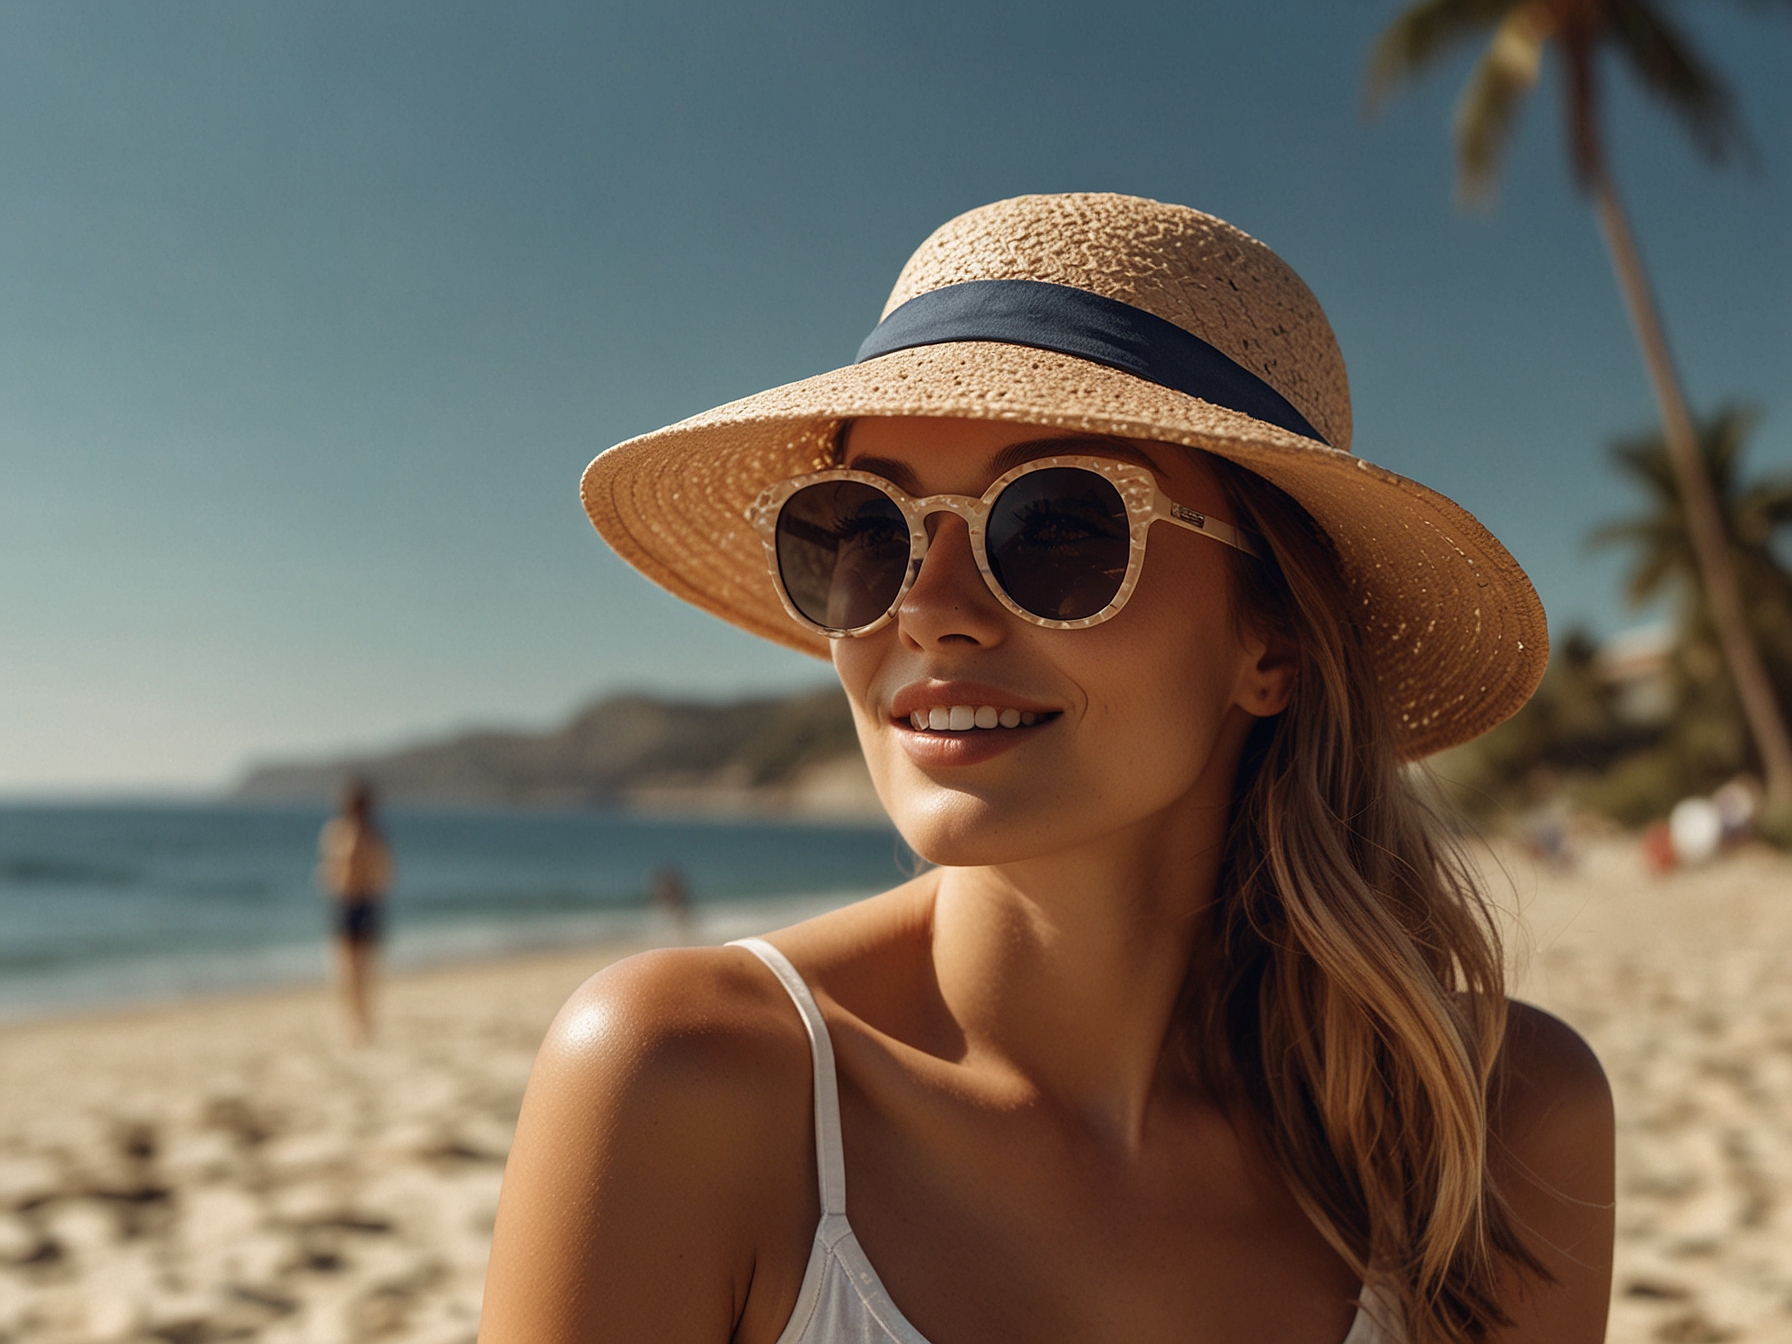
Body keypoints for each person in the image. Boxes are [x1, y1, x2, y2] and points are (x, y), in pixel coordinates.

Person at [480, 195, 1614, 1343]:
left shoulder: (1499, 1130)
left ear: (1267, 639)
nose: (928, 607)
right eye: (868, 528)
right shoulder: (680, 1083)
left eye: (1058, 526)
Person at [316, 776, 392, 1044]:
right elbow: (328, 871)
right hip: (346, 903)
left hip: (363, 902)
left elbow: (384, 874)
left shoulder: (371, 836)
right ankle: (355, 1023)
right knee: (347, 970)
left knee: (362, 969)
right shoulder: (337, 832)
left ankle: (363, 1022)